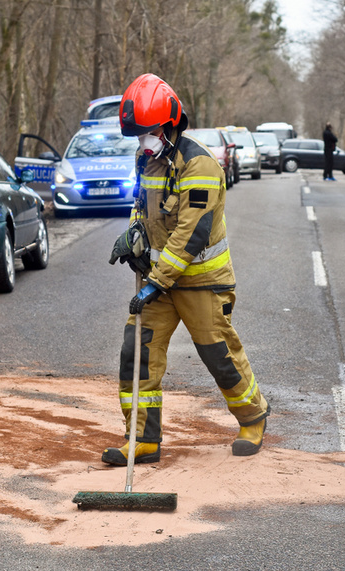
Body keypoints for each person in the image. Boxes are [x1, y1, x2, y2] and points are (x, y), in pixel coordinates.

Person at [105, 73, 270, 465]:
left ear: (170, 123)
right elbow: (141, 205)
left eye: (149, 132)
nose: (143, 141)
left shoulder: (200, 165)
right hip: (159, 282)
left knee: (218, 354)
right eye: (139, 135)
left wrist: (153, 283)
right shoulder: (146, 158)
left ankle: (253, 416)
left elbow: (190, 234)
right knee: (137, 354)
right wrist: (133, 235)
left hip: (201, 282)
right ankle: (142, 438)